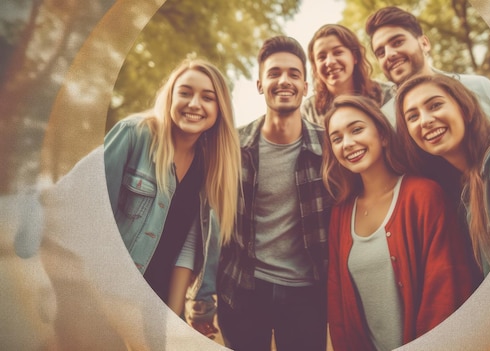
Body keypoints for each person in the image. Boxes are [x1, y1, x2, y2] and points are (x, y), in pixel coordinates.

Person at [322, 94, 477, 350]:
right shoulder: (339, 214)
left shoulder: (424, 195)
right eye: (336, 138)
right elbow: (339, 309)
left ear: (383, 135)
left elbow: (445, 290)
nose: (347, 143)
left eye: (357, 129)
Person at [104, 58, 240, 336]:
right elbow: (90, 216)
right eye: (185, 92)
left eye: (207, 97)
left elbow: (189, 247)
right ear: (171, 96)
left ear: (219, 109)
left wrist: (172, 319)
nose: (194, 103)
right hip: (107, 293)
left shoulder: (209, 166)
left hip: (158, 303)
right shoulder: (134, 135)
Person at [217, 36, 333, 351]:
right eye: (274, 73)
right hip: (243, 288)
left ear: (306, 86)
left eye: (294, 74)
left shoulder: (331, 148)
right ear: (259, 84)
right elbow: (210, 219)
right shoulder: (234, 148)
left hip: (307, 293)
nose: (284, 80)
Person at [395, 73, 490, 276]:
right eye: (413, 117)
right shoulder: (459, 189)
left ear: (464, 109)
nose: (425, 121)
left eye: (435, 105)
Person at [365, 6, 490, 136]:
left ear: (424, 43)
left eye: (397, 42)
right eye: (381, 52)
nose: (389, 55)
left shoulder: (479, 87)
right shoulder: (386, 121)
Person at [302, 23, 395, 126]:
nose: (330, 62)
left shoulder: (386, 95)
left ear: (354, 57)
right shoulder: (309, 111)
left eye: (338, 52)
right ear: (315, 66)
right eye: (322, 57)